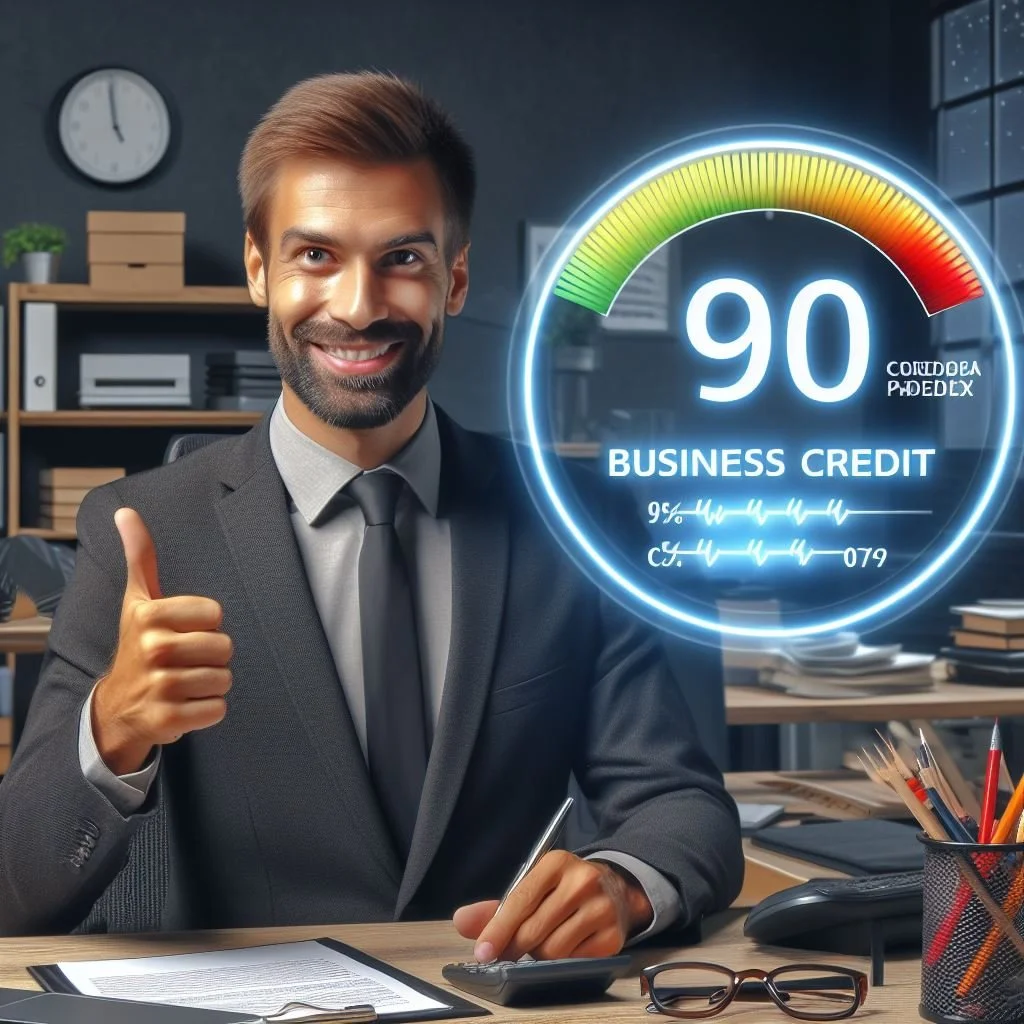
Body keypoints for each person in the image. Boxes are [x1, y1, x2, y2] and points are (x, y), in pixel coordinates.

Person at [0, 71, 743, 956]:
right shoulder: (142, 530)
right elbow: (17, 890)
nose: (358, 306)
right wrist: (112, 733)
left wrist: (625, 884)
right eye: (316, 256)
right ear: (257, 271)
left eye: (402, 259)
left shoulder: (574, 522)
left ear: (455, 279)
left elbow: (681, 803)